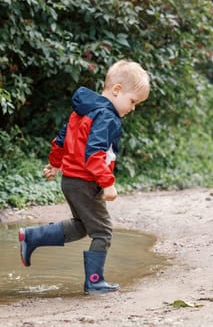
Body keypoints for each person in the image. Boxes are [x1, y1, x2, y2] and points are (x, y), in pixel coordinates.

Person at [19, 59, 150, 295]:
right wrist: (107, 184)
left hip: (70, 180)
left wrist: (55, 163)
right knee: (103, 231)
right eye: (132, 101)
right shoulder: (107, 116)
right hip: (85, 181)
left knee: (81, 227)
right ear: (117, 90)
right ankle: (95, 281)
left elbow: (62, 138)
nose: (132, 108)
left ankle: (31, 237)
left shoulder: (82, 110)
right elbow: (95, 153)